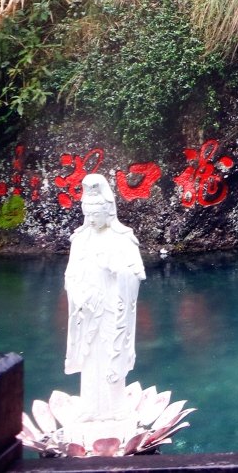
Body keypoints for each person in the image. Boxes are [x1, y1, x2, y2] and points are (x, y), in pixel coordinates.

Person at [64, 173, 146, 420]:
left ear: (109, 212)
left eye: (96, 215)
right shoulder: (80, 240)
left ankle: (116, 407)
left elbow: (136, 274)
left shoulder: (122, 238)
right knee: (89, 357)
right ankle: (90, 407)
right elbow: (71, 274)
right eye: (87, 214)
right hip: (88, 308)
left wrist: (118, 269)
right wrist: (77, 294)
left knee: (113, 354)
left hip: (112, 307)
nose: (91, 220)